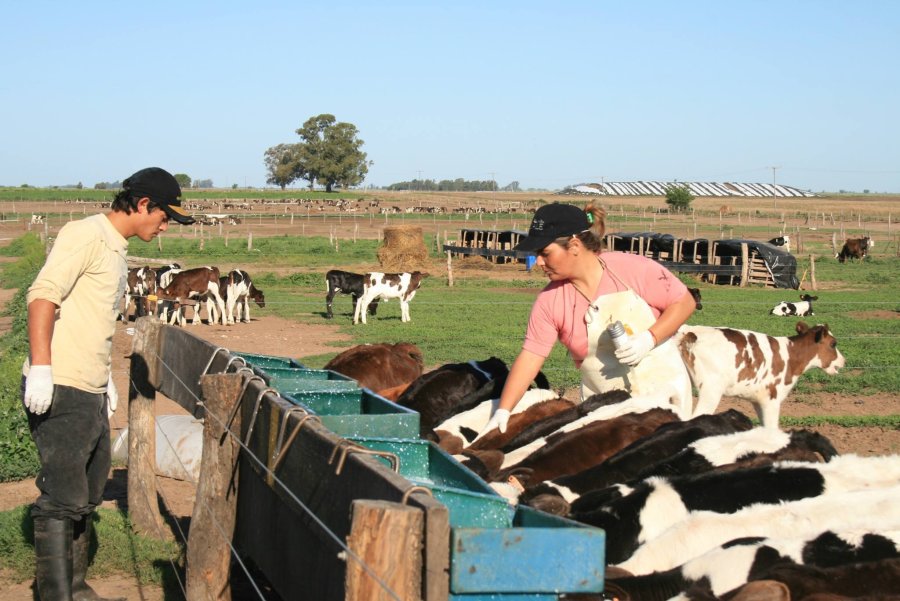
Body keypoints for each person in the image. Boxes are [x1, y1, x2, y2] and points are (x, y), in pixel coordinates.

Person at [22, 167, 194, 600]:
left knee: (87, 491)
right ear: (142, 205)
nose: (166, 224)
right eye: (164, 215)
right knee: (62, 496)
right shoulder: (86, 236)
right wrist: (42, 368)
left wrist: (105, 382)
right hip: (64, 382)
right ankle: (57, 594)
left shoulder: (115, 248)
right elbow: (43, 296)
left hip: (90, 386)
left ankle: (74, 587)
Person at [483, 202, 696, 434]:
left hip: (666, 402)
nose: (539, 263)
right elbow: (531, 357)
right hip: (608, 412)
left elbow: (684, 302)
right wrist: (503, 411)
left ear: (574, 245)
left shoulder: (633, 269)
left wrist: (649, 339)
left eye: (545, 253)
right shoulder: (549, 301)